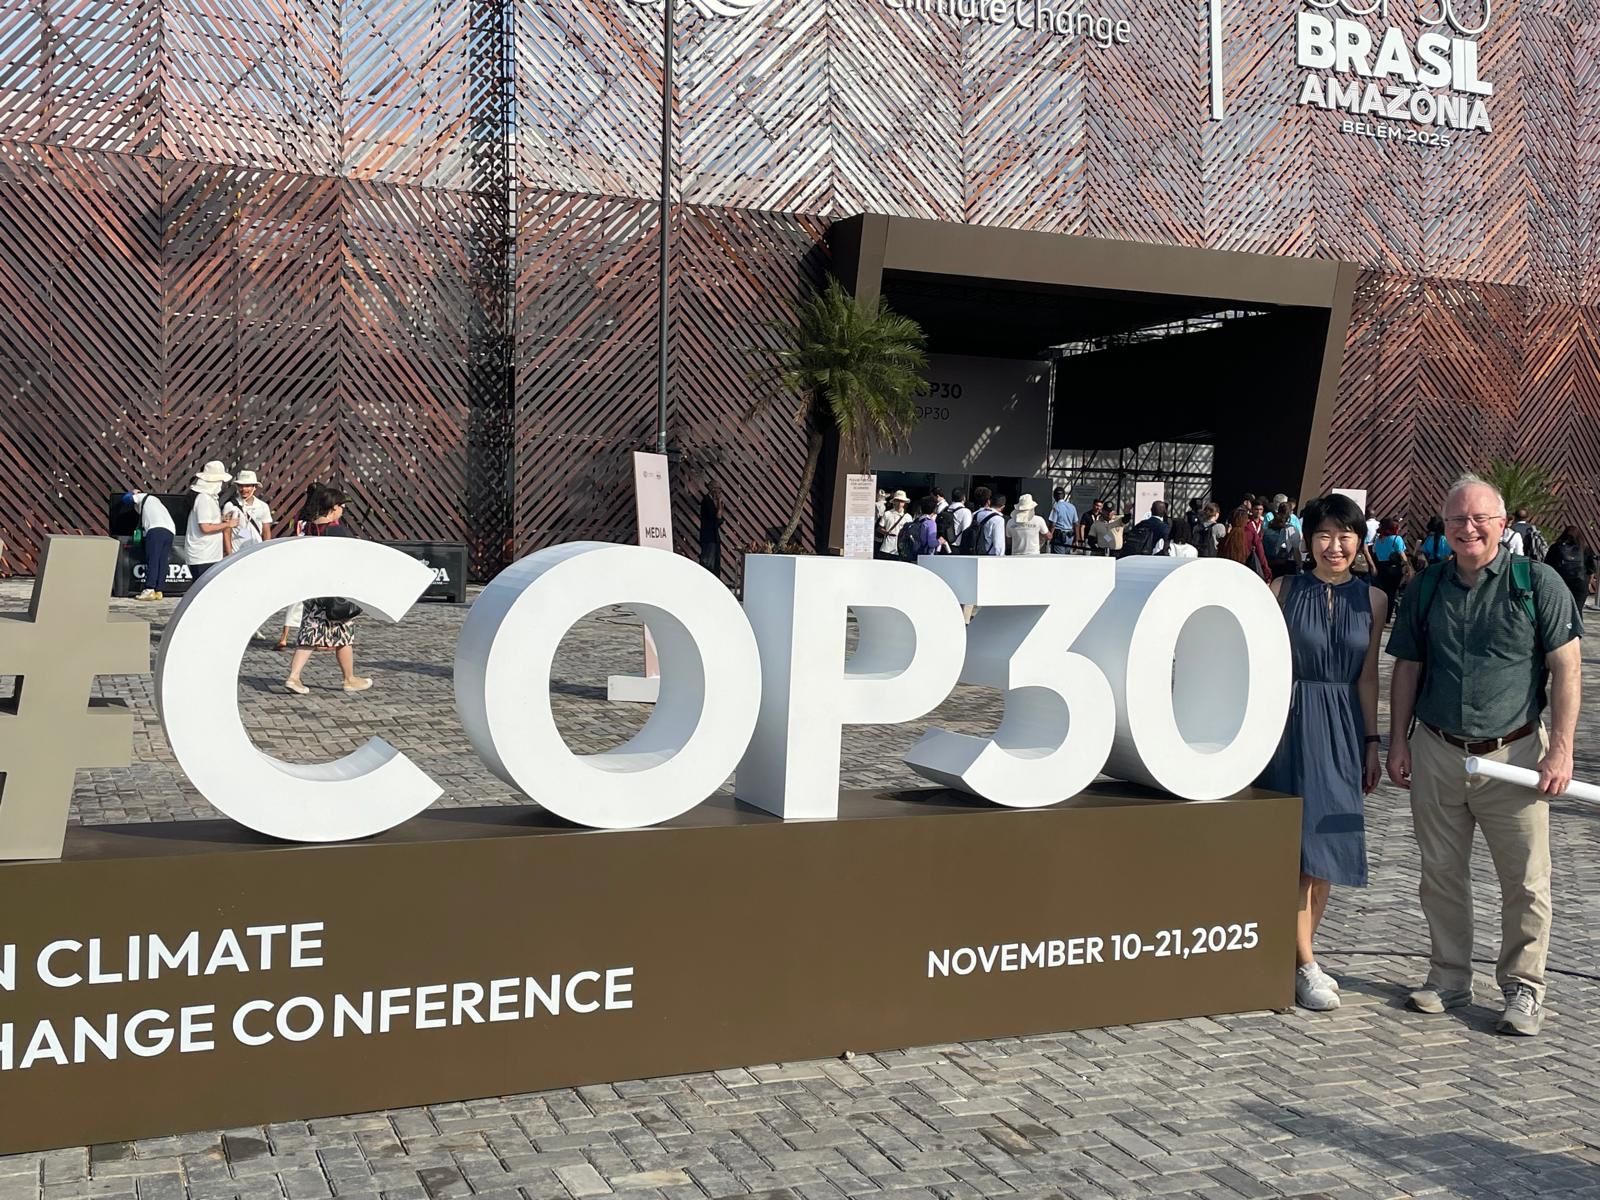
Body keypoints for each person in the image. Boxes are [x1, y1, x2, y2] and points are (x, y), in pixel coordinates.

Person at [1387, 474, 1583, 1036]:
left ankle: (1524, 988)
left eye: (1478, 519)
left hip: (1516, 754)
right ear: (1444, 527)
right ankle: (1449, 978)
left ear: (1502, 524)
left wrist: (1562, 751)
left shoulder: (1536, 582)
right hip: (1440, 751)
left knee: (1525, 880)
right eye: (1456, 520)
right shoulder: (1427, 587)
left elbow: (1567, 668)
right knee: (1440, 874)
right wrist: (1399, 738)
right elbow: (1407, 667)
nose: (1467, 529)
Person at [1259, 493, 1387, 1011]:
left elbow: (1367, 676)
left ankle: (1298, 960)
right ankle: (1305, 962)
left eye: (1346, 535)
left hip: (1344, 723)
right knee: (1297, 848)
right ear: (1308, 539)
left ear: (1359, 540)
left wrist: (1372, 741)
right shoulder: (1281, 588)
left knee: (1330, 844)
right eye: (1325, 535)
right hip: (1290, 717)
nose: (1336, 546)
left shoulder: (1374, 600)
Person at [284, 484, 372, 695]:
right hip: (334, 590)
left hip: (314, 590)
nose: (342, 510)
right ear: (333, 508)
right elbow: (349, 557)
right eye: (341, 506)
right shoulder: (336, 530)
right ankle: (348, 679)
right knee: (344, 634)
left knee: (310, 634)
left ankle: (296, 676)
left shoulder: (309, 527)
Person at [184, 460, 237, 580]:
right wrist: (228, 524)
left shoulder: (209, 498)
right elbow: (205, 527)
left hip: (209, 554)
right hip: (203, 555)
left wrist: (221, 519)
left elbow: (206, 520)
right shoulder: (204, 499)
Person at [124, 490, 177, 600]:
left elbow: (125, 499)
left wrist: (132, 492)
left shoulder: (142, 497)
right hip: (170, 530)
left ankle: (149, 589)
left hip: (156, 529)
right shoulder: (157, 503)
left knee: (152, 559)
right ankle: (159, 590)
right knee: (162, 560)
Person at [222, 470, 273, 556]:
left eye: (248, 486)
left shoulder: (263, 506)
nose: (244, 489)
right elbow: (227, 532)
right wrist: (229, 554)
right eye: (241, 486)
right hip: (237, 552)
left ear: (254, 487)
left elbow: (266, 531)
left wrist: (266, 551)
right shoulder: (230, 506)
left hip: (257, 551)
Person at [1545, 526, 1596, 613]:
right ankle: (1577, 626)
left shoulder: (1556, 547)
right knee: (1577, 610)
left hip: (1560, 582)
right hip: (1580, 582)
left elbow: (1547, 565)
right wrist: (1589, 583)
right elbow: (1591, 568)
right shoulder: (1584, 548)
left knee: (1560, 610)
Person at [1371, 518, 1409, 620]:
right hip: (1393, 569)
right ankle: (1387, 616)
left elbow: (1375, 552)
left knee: (1382, 592)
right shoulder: (1397, 539)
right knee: (1391, 593)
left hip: (1381, 567)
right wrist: (1408, 566)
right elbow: (1402, 554)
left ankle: (1379, 615)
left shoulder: (1379, 540)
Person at [1220, 505, 1270, 580]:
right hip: (1246, 570)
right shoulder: (1250, 531)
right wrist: (1267, 573)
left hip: (1227, 571)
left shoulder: (1227, 535)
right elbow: (1260, 553)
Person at [1262, 503, 1304, 577]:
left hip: (1267, 562)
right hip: (1282, 564)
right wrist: (1300, 565)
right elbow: (1296, 551)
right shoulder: (1291, 529)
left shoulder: (1269, 525)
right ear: (1290, 513)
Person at [904, 494, 942, 559]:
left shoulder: (917, 520)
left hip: (914, 554)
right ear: (934, 508)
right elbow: (931, 543)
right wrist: (940, 541)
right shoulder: (931, 523)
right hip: (925, 557)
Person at [876, 491, 911, 560]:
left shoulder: (908, 517)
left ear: (904, 503)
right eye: (897, 501)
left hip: (901, 547)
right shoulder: (887, 514)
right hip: (887, 546)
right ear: (894, 502)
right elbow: (879, 528)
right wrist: (886, 532)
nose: (899, 503)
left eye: (901, 501)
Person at [971, 486, 1005, 555]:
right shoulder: (998, 519)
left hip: (974, 553)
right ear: (989, 501)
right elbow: (998, 544)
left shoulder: (974, 515)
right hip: (989, 555)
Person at [699, 482, 722, 577]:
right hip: (709, 537)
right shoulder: (707, 501)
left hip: (713, 536)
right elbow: (717, 517)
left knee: (714, 562)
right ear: (713, 489)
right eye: (718, 489)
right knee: (708, 562)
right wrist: (719, 503)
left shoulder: (711, 501)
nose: (720, 491)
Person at [1047, 487, 1078, 554]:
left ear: (1054, 496)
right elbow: (1076, 524)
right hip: (1069, 536)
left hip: (1059, 537)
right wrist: (1076, 539)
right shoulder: (1072, 507)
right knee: (1066, 558)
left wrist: (1050, 536)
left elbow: (1053, 524)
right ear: (1064, 496)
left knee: (1058, 559)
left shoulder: (1056, 507)